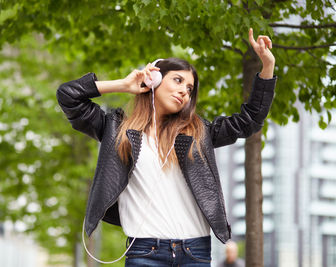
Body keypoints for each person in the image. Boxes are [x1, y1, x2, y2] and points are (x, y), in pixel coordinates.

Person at [56, 28, 276, 266]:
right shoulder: (116, 128)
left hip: (196, 253)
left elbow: (249, 120)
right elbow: (68, 96)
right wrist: (124, 84)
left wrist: (267, 67)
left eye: (190, 88)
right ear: (154, 80)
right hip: (144, 252)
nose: (184, 91)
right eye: (178, 80)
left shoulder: (199, 132)